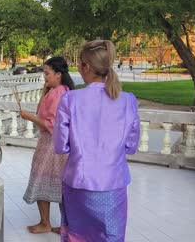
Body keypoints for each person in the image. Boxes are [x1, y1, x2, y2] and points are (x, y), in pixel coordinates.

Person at [53, 40, 140, 241]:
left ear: (86, 67)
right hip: (113, 183)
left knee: (77, 236)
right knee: (111, 236)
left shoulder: (70, 100)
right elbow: (131, 146)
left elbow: (60, 146)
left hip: (78, 183)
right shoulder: (128, 100)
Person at [20, 56, 75, 234]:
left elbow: (50, 124)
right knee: (62, 184)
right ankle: (65, 225)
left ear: (58, 74)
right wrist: (45, 89)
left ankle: (45, 223)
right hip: (61, 143)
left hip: (51, 144)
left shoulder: (58, 93)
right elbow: (41, 111)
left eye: (47, 73)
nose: (45, 76)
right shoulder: (64, 90)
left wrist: (27, 117)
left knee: (40, 178)